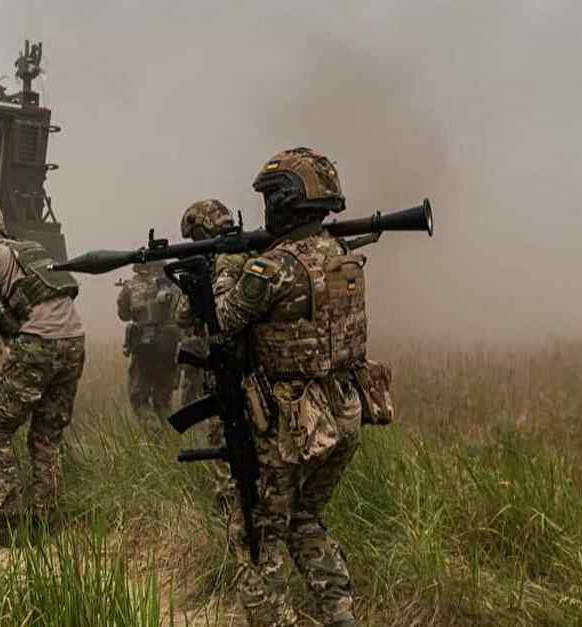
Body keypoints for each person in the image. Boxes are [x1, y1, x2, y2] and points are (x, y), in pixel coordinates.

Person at [212, 147, 365, 627]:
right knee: (305, 519)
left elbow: (226, 317)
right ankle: (340, 614)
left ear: (285, 201)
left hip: (293, 423)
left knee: (260, 533)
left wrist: (226, 265)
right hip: (343, 409)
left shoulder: (272, 267)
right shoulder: (341, 256)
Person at [0, 199, 85, 545]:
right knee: (46, 435)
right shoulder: (30, 249)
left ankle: (7, 521)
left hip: (38, 343)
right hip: (73, 341)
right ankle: (45, 519)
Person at [172, 199, 248, 506]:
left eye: (195, 237)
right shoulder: (250, 252)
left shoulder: (220, 263)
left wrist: (192, 283)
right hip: (257, 362)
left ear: (204, 230)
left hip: (228, 363)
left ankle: (230, 509)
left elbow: (183, 315)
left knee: (224, 439)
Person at [115, 262, 182, 430]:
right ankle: (172, 439)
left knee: (139, 398)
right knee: (164, 401)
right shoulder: (174, 284)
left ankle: (154, 434)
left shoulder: (132, 285)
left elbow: (123, 315)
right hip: (171, 346)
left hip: (146, 348)